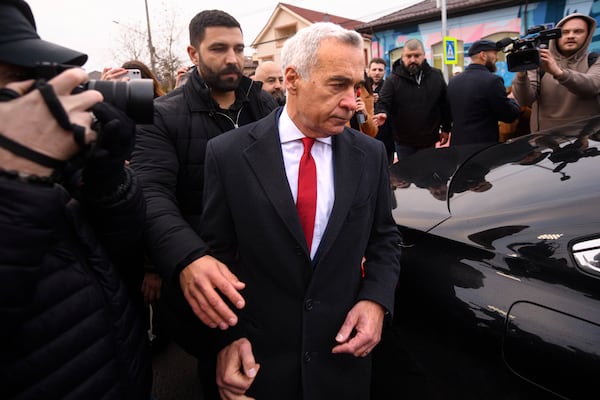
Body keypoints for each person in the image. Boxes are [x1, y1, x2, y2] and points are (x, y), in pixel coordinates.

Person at [202, 21, 401, 399]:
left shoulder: (370, 154)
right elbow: (218, 258)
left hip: (342, 361)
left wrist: (376, 301)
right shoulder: (228, 154)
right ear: (292, 78)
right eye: (338, 84)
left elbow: (384, 239)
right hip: (261, 365)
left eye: (356, 86)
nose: (352, 101)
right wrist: (226, 340)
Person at [0, 1, 151, 398]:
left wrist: (108, 175)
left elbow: (125, 249)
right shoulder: (25, 162)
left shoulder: (50, 158)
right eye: (21, 76)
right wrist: (16, 181)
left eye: (40, 75)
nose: (43, 91)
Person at [129, 9, 278, 399]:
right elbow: (151, 194)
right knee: (224, 376)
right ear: (193, 53)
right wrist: (188, 258)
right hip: (208, 282)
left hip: (271, 274)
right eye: (219, 49)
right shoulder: (161, 116)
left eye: (239, 48)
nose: (233, 58)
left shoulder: (265, 105)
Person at [511, 13, 600, 132]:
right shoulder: (540, 62)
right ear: (555, 35)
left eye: (578, 31)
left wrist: (558, 72)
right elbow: (524, 100)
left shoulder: (595, 60)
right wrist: (521, 74)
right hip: (546, 142)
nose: (571, 36)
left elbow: (591, 86)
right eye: (565, 32)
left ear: (588, 35)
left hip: (587, 142)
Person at [374, 39, 451, 160]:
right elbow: (383, 102)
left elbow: (444, 104)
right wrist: (381, 112)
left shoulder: (436, 75)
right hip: (404, 143)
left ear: (424, 56)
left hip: (429, 141)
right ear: (402, 57)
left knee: (428, 176)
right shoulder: (393, 79)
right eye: (408, 56)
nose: (413, 60)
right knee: (407, 177)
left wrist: (446, 128)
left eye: (417, 55)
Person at [447, 39, 520, 145]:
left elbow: (449, 114)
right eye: (494, 53)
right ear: (483, 55)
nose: (497, 58)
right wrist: (512, 100)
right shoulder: (493, 81)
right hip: (482, 149)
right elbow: (508, 115)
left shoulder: (453, 81)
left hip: (457, 147)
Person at [368, 57, 394, 164]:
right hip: (367, 135)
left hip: (386, 138)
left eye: (380, 70)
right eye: (374, 70)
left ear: (384, 71)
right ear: (368, 70)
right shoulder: (362, 87)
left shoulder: (389, 87)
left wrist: (381, 100)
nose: (377, 73)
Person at [347, 71, 378, 137]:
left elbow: (372, 132)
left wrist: (365, 115)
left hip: (360, 142)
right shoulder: (336, 95)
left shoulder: (367, 95)